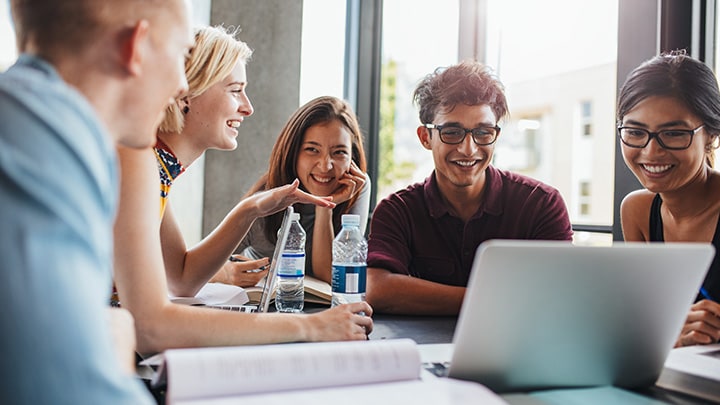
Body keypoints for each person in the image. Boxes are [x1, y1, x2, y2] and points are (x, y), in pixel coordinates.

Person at [113, 25, 373, 355]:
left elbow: (181, 278)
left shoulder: (157, 170)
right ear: (186, 94)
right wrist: (311, 326)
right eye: (235, 90)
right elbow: (151, 326)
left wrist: (250, 209)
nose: (247, 107)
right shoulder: (139, 164)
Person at [0, 0, 193, 403]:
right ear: (136, 47)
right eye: (181, 53)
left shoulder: (33, 119)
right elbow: (73, 391)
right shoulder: (44, 146)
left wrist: (109, 331)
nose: (183, 85)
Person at [365, 60, 573, 315]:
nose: (468, 148)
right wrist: (499, 301)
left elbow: (557, 295)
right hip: (421, 351)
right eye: (452, 132)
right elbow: (378, 289)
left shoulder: (541, 204)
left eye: (483, 132)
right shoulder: (397, 211)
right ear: (425, 137)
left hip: (514, 351)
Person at [618, 50, 720, 347]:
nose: (651, 152)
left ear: (711, 135)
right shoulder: (637, 210)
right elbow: (646, 321)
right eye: (635, 132)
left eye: (674, 133)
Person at [238, 95, 370, 284]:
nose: (325, 166)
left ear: (352, 157)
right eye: (312, 150)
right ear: (293, 153)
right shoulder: (264, 201)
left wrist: (325, 206)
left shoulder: (356, 185)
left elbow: (330, 277)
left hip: (319, 307)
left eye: (339, 152)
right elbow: (204, 268)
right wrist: (227, 274)